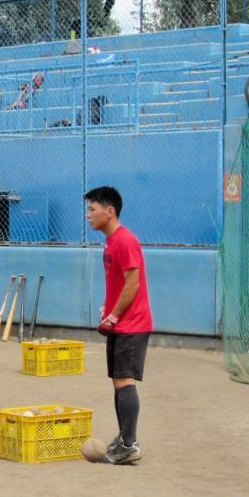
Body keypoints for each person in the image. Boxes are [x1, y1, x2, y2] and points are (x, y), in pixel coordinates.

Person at [85, 185, 153, 465]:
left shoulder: (125, 240)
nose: (88, 215)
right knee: (118, 382)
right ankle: (125, 438)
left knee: (125, 380)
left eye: (92, 209)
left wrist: (114, 316)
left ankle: (129, 443)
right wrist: (107, 309)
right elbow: (118, 283)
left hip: (132, 323)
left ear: (109, 211)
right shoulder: (111, 242)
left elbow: (133, 283)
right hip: (120, 323)